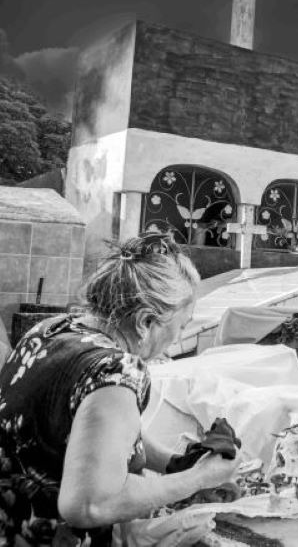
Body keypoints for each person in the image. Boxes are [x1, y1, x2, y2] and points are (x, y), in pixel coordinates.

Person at [0, 233, 240, 546]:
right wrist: (196, 479)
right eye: (180, 326)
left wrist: (173, 463)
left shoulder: (51, 330)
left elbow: (98, 431)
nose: (178, 337)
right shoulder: (115, 370)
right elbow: (90, 504)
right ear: (145, 322)